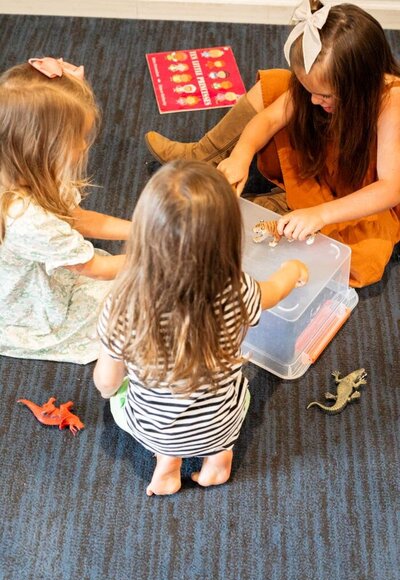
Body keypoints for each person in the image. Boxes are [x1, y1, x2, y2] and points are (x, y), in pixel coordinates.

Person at [145, 1, 400, 288]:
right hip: (323, 161)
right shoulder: (318, 91)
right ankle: (203, 155)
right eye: (309, 91)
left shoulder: (391, 100)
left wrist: (321, 213)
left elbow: (390, 188)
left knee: (367, 255)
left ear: (360, 83)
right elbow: (268, 120)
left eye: (325, 95)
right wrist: (241, 155)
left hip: (359, 191)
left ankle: (276, 207)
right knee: (274, 85)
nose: (315, 100)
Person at [93, 160, 308, 496]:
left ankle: (166, 466)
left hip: (155, 429)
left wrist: (112, 393)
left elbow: (106, 381)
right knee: (238, 393)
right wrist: (293, 270)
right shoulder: (237, 289)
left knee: (123, 401)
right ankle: (219, 462)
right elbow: (275, 291)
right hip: (223, 421)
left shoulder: (122, 305)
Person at [0, 58, 131, 363]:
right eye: (78, 139)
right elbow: (94, 269)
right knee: (124, 316)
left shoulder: (30, 170)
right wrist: (166, 252)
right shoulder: (27, 218)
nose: (85, 147)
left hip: (41, 264)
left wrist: (144, 229)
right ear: (41, 146)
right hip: (26, 305)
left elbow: (77, 219)